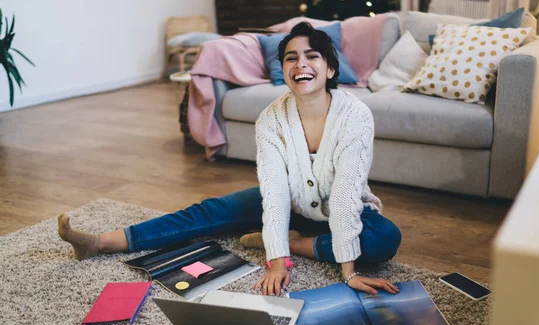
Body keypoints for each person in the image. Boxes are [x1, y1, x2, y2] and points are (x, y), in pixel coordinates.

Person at [57, 22, 402, 297]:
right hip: (291, 201)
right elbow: (277, 194)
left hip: (343, 210)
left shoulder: (355, 116)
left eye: (312, 56)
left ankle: (298, 242)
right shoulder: (271, 118)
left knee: (384, 238)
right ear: (284, 71)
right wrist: (276, 263)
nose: (301, 64)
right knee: (210, 212)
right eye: (291, 58)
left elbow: (343, 199)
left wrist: (349, 272)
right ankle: (100, 242)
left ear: (329, 69)